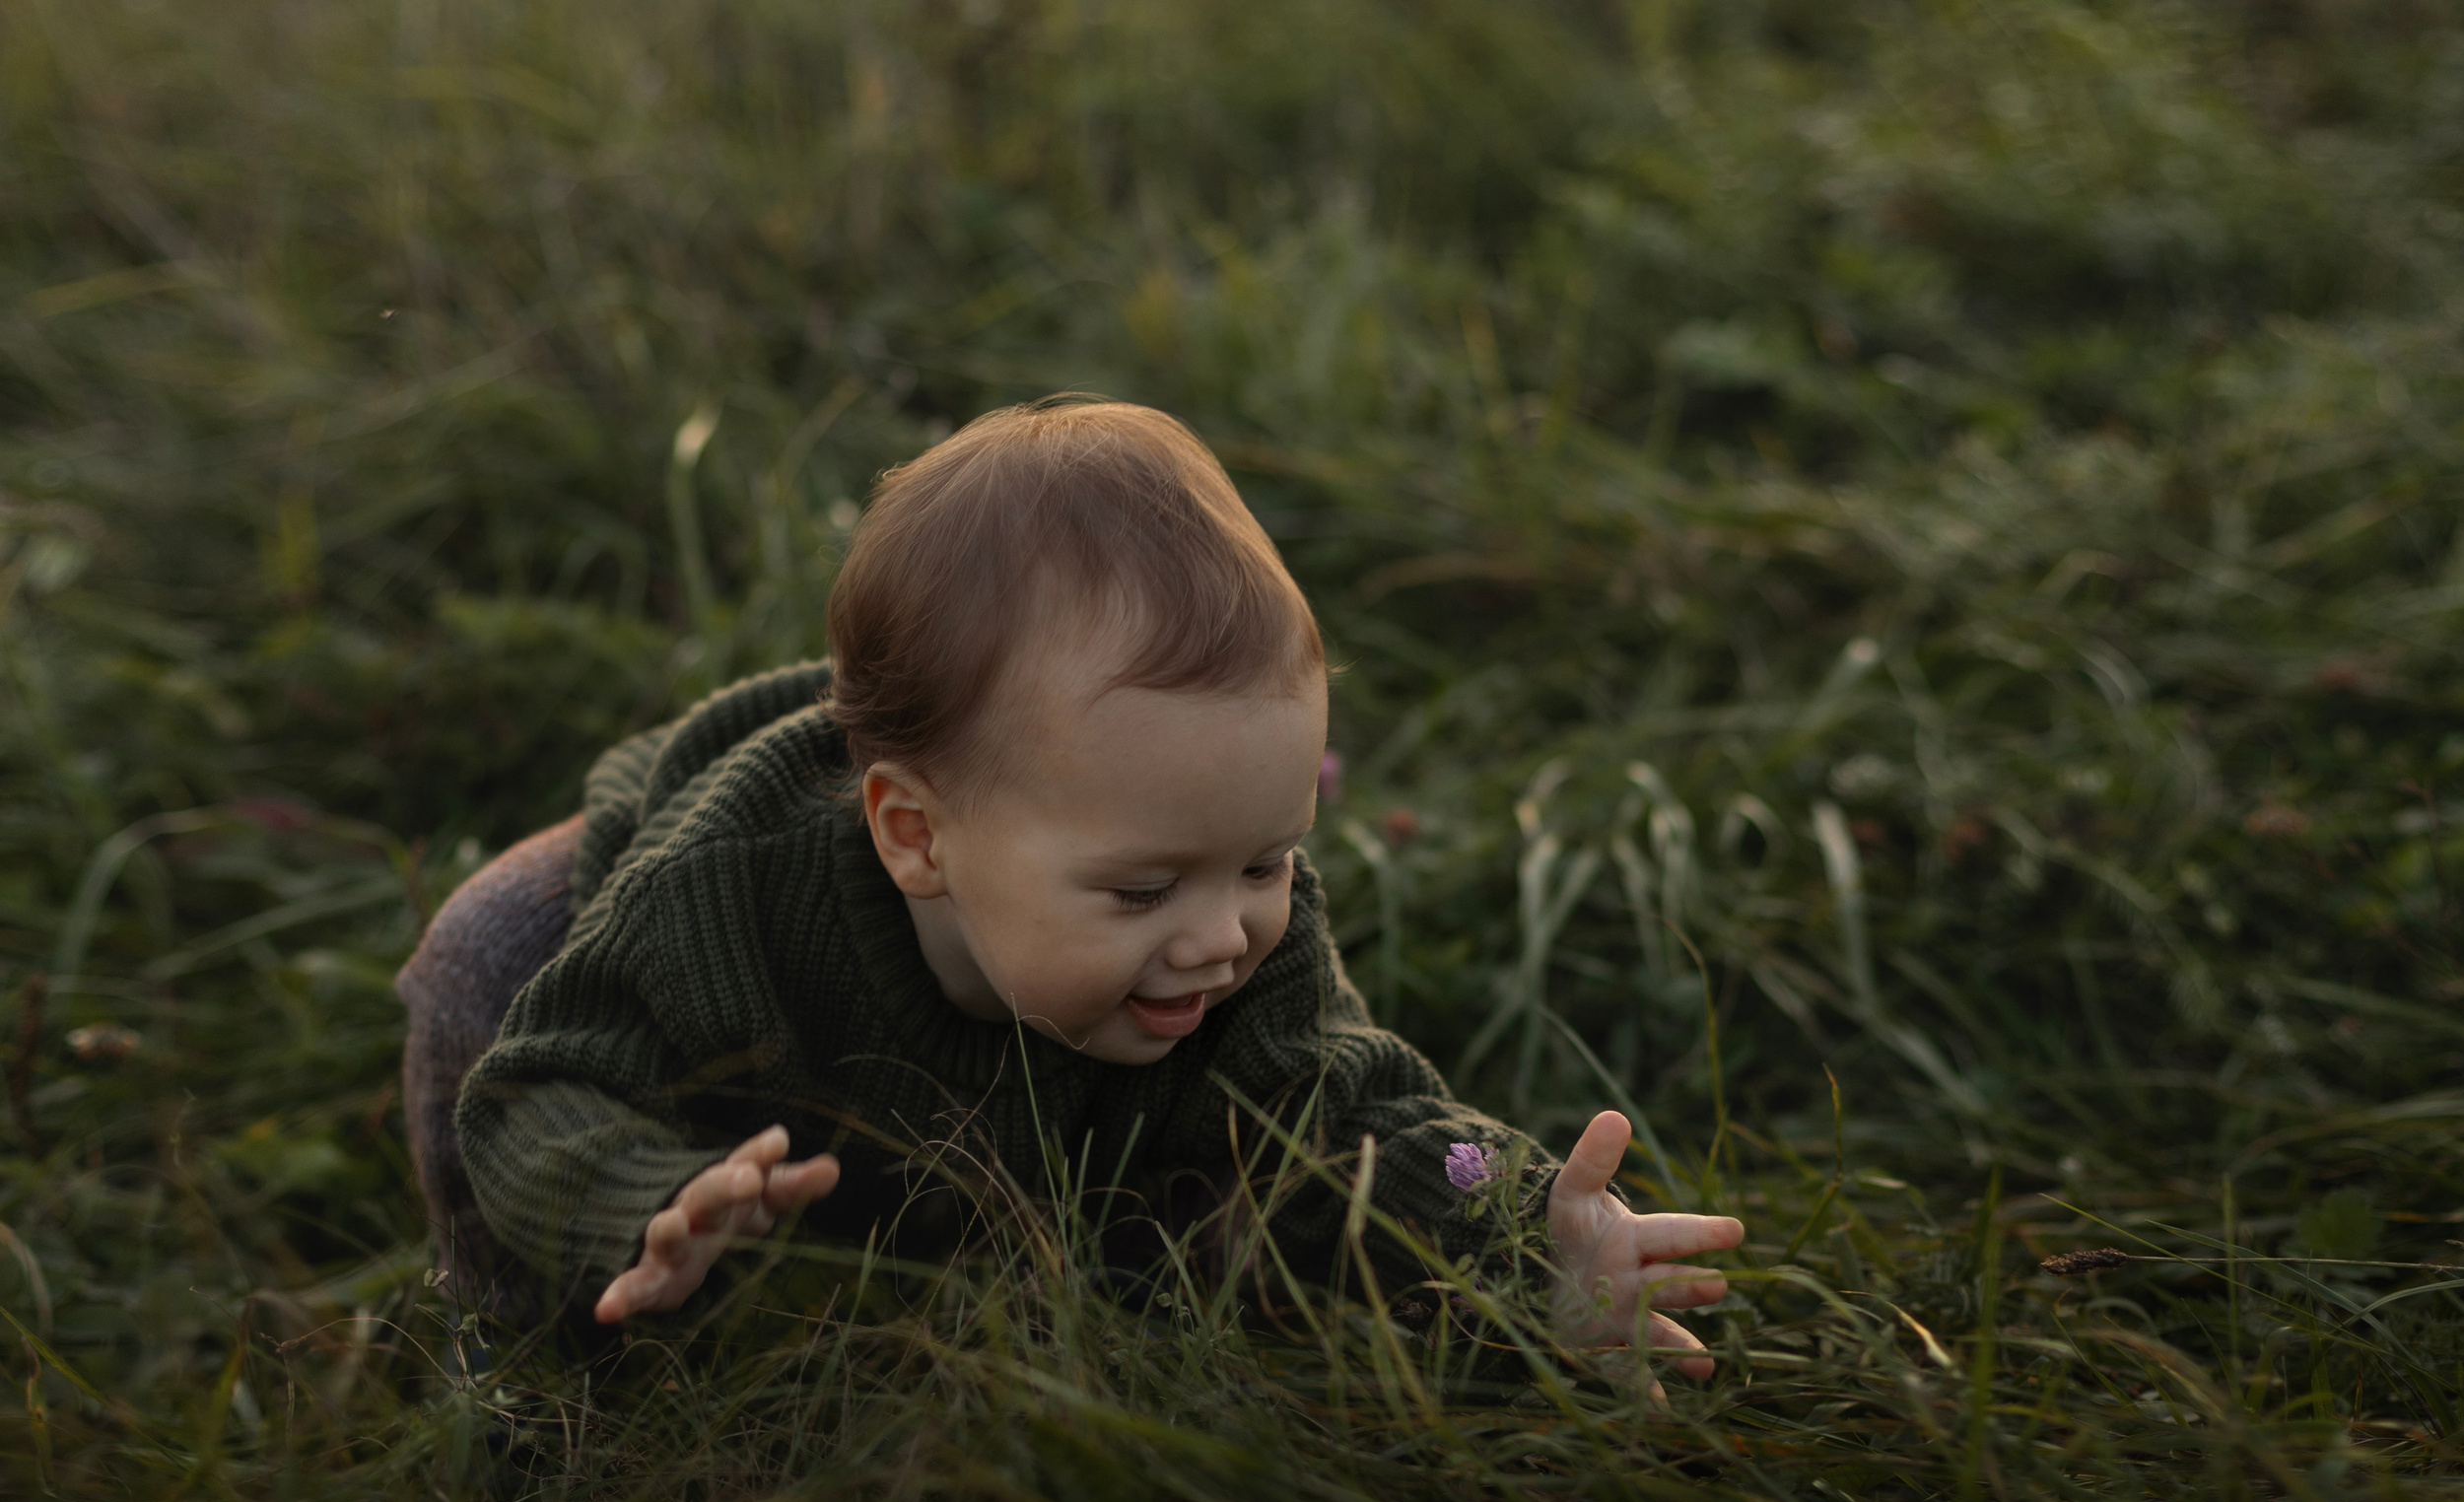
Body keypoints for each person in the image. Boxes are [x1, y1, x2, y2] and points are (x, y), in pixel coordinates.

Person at [406, 399, 1741, 1376]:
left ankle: (1046, 1227)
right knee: (483, 952)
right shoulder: (720, 903)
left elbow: (1350, 1119)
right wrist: (644, 1202)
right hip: (642, 934)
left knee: (1177, 1182)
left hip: (937, 1006)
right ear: (919, 841)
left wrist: (1523, 1227)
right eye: (1144, 888)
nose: (1222, 936)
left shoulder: (1223, 921)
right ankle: (532, 1349)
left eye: (1267, 860)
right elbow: (535, 1088)